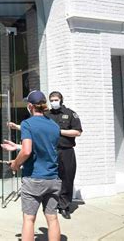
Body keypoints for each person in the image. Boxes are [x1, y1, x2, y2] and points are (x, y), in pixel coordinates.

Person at [7, 90, 62, 241]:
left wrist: (15, 165)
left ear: (30, 106)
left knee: (29, 219)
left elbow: (27, 150)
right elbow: (45, 147)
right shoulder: (54, 126)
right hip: (53, 178)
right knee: (52, 219)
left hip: (34, 179)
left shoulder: (27, 124)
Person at [45, 91, 82, 219]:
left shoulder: (70, 114)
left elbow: (77, 132)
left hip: (66, 151)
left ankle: (64, 206)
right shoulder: (46, 115)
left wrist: (59, 131)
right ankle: (51, 204)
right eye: (51, 100)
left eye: (56, 99)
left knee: (67, 178)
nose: (54, 102)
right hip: (50, 151)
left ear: (61, 100)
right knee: (51, 178)